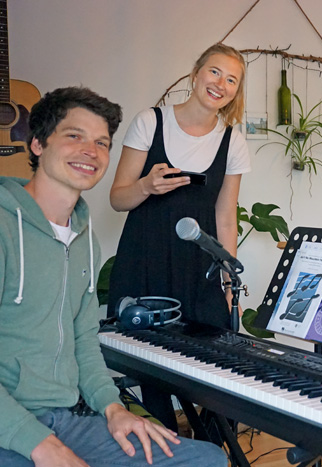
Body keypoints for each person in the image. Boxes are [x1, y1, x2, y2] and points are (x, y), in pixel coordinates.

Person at [0, 87, 228, 466]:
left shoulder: (84, 239)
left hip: (66, 418)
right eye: (75, 136)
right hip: (10, 424)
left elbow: (85, 342)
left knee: (205, 460)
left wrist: (113, 408)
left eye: (102, 142)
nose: (91, 151)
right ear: (38, 144)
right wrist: (42, 445)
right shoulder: (6, 227)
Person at [108, 43, 251, 430]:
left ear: (236, 91)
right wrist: (147, 186)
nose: (220, 83)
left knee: (216, 368)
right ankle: (161, 448)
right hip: (145, 261)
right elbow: (118, 198)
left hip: (199, 270)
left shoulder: (232, 140)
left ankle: (210, 451)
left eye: (232, 79)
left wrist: (226, 276)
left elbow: (226, 216)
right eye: (215, 72)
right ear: (196, 74)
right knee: (150, 372)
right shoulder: (150, 121)